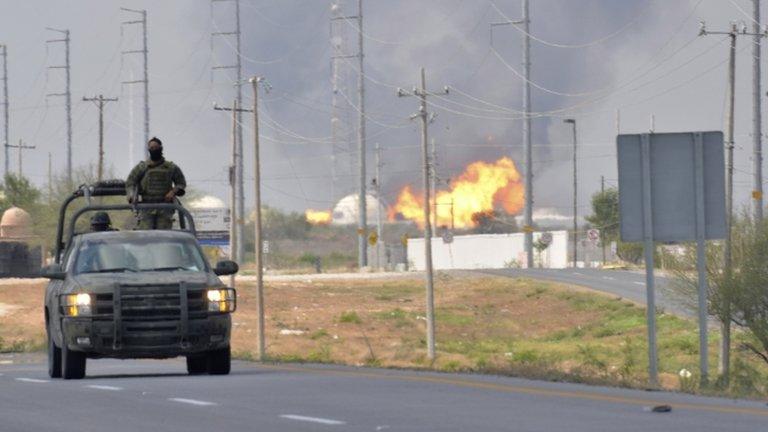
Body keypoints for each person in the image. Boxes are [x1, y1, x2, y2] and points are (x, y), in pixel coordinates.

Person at [126, 137, 187, 230]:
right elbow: (131, 182)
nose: (154, 150)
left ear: (161, 148)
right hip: (146, 206)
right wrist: (132, 196)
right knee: (146, 235)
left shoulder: (170, 167)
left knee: (163, 235)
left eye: (156, 147)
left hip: (165, 207)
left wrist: (173, 192)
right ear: (149, 150)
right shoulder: (142, 167)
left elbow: (181, 183)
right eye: (151, 148)